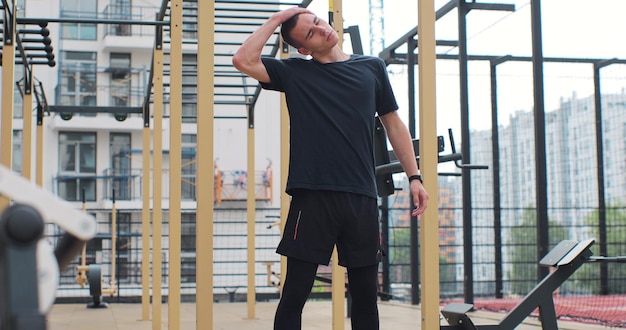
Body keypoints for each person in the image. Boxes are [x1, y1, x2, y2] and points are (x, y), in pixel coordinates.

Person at [232, 7, 429, 330]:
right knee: (296, 292)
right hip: (312, 197)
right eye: (311, 33)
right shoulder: (294, 72)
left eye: (318, 22)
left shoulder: (372, 67)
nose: (322, 29)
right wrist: (277, 20)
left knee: (366, 295)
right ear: (304, 49)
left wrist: (415, 177)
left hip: (361, 196)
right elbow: (243, 60)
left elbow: (393, 123)